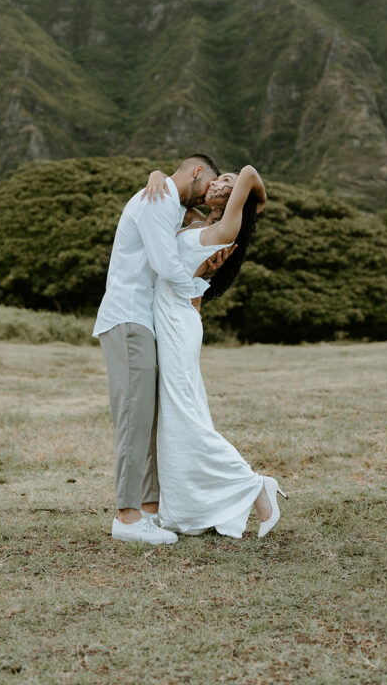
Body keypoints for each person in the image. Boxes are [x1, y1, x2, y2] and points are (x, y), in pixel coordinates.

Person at [93, 153, 234, 545]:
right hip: (129, 318)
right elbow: (167, 264)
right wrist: (199, 285)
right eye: (210, 185)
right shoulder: (158, 199)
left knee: (152, 417)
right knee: (134, 418)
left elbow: (190, 236)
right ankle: (126, 516)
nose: (211, 196)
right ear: (196, 172)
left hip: (145, 322)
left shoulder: (169, 202)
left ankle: (149, 512)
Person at [143, 164, 288, 539]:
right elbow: (173, 198)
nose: (220, 183)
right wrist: (158, 173)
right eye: (218, 179)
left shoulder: (227, 229)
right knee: (178, 417)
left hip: (177, 325)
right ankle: (189, 509)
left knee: (184, 416)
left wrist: (256, 202)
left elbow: (252, 172)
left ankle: (255, 485)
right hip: (175, 319)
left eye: (228, 182)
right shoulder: (195, 224)